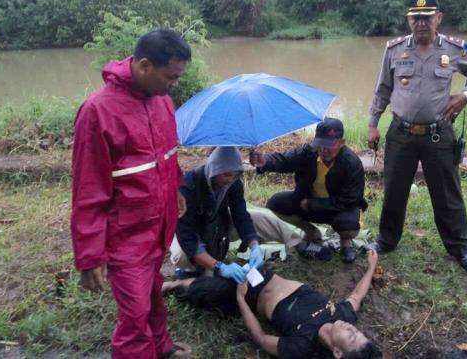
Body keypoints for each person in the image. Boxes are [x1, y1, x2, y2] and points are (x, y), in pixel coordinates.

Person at [71, 28, 192, 358]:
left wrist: (176, 190)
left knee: (153, 291)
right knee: (134, 315)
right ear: (143, 66)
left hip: (158, 228)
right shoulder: (97, 111)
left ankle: (161, 346)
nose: (175, 84)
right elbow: (88, 190)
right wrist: (90, 255)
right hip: (126, 236)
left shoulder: (163, 102)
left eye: (179, 77)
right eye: (171, 77)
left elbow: (167, 157)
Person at [367, 0, 467, 272]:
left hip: (438, 133)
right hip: (401, 132)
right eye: (416, 17)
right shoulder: (394, 50)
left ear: (438, 18)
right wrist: (373, 124)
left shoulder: (455, 49)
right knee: (394, 189)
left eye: (427, 17)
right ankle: (387, 239)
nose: (421, 22)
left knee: (447, 193)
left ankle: (460, 247)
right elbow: (382, 89)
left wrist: (465, 95)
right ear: (409, 19)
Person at [163, 250, 383, 358]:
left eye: (352, 337)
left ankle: (174, 285)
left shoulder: (302, 346)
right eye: (357, 330)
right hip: (263, 274)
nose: (351, 327)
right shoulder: (342, 316)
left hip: (250, 295)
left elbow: (260, 338)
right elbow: (357, 295)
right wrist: (372, 266)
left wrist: (241, 299)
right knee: (221, 275)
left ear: (337, 352)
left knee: (207, 290)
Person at [249, 118, 368, 264]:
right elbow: (285, 160)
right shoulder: (308, 152)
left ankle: (346, 242)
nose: (323, 150)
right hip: (307, 203)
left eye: (329, 145)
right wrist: (265, 161)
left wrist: (314, 204)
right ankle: (311, 233)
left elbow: (351, 200)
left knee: (347, 223)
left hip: (336, 209)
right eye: (320, 144)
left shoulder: (352, 163)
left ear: (342, 142)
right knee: (275, 203)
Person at [175, 146, 264, 283]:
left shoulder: (233, 184)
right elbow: (187, 235)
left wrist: (254, 246)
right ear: (214, 169)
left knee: (259, 219)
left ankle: (301, 240)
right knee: (181, 255)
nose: (230, 179)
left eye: (235, 175)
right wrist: (219, 267)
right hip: (187, 231)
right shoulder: (188, 186)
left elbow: (240, 215)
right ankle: (188, 269)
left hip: (216, 228)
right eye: (226, 175)